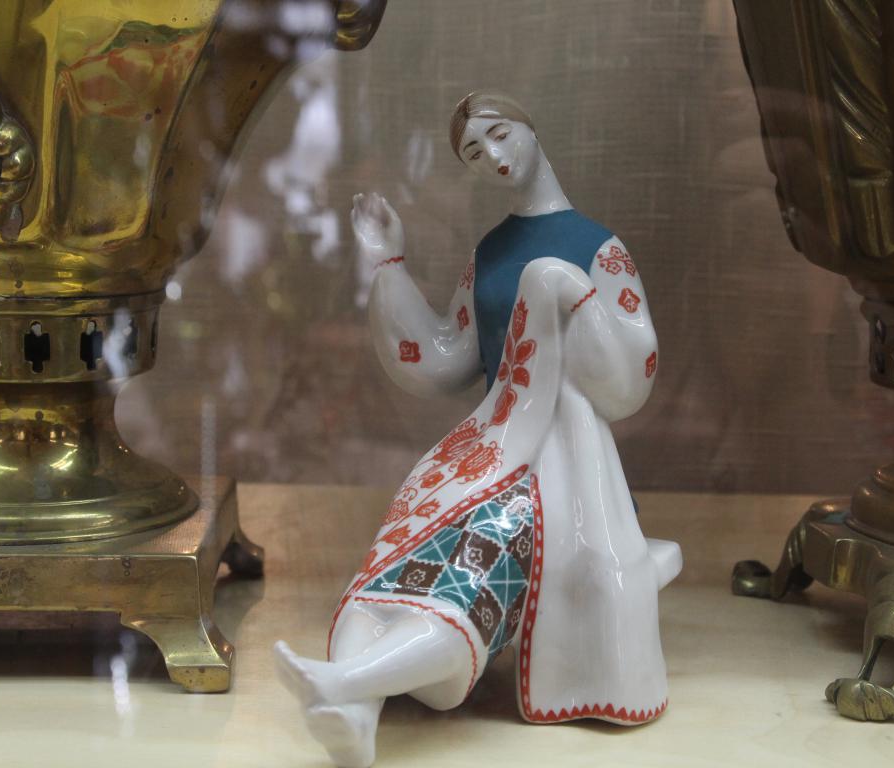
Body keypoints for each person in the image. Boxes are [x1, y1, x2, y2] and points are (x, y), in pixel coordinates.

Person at [276, 91, 682, 768]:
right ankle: (354, 710)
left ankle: (345, 685)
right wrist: (387, 263)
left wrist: (570, 296)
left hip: (561, 472)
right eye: (473, 151)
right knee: (389, 568)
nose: (492, 156)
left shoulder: (597, 247)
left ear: (530, 128)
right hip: (482, 455)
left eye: (499, 134)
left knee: (467, 578)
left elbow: (631, 373)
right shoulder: (491, 252)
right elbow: (444, 356)